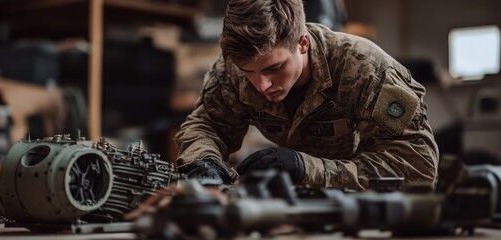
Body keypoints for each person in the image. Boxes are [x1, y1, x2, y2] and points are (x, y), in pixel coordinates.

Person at [174, 0, 439, 190]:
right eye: (248, 72)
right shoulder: (231, 71)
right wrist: (204, 162)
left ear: (302, 43)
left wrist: (305, 168)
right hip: (289, 208)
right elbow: (207, 126)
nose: (261, 85)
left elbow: (417, 170)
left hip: (364, 208)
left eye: (274, 68)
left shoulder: (366, 69)